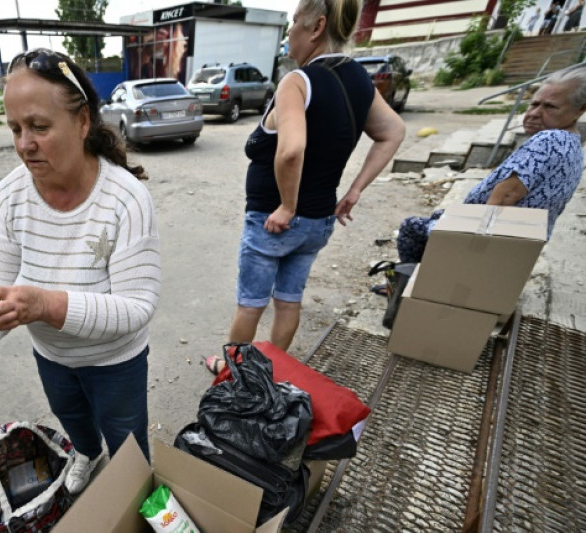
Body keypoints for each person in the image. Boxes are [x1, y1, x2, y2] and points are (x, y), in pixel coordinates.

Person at [0, 49, 160, 496]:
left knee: (128, 444)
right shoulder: (7, 200)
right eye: (16, 129)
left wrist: (44, 303)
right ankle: (86, 452)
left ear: (82, 122)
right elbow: (0, 292)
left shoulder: (125, 199)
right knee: (74, 419)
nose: (25, 143)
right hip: (54, 357)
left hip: (116, 361)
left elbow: (137, 306)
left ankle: (136, 496)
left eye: (39, 127)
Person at [205, 0, 405, 374]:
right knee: (288, 300)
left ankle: (234, 377)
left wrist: (287, 206)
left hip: (275, 221)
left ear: (316, 27)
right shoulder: (360, 79)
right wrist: (355, 189)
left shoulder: (297, 81)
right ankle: (268, 370)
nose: (289, 33)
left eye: (295, 22)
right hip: (319, 221)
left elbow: (292, 148)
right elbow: (393, 132)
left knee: (251, 304)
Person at [395, 67, 586, 264]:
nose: (535, 114)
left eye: (550, 107)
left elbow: (505, 197)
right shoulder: (572, 143)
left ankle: (410, 280)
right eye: (534, 104)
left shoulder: (550, 139)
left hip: (499, 236)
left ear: (580, 110)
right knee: (440, 215)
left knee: (411, 227)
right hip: (521, 238)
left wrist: (474, 248)